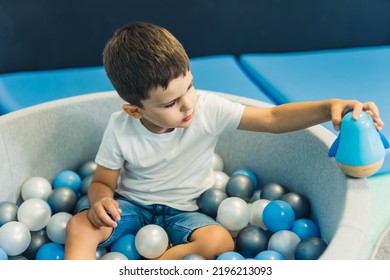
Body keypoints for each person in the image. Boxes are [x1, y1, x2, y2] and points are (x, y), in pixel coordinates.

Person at [64, 22, 384, 260]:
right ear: (135, 110)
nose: (188, 104)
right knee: (79, 226)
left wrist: (328, 108)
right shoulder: (121, 128)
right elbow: (102, 183)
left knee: (220, 241)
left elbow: (272, 119)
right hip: (131, 208)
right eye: (170, 104)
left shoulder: (207, 109)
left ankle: (154, 266)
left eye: (189, 87)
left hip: (185, 212)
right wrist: (100, 202)